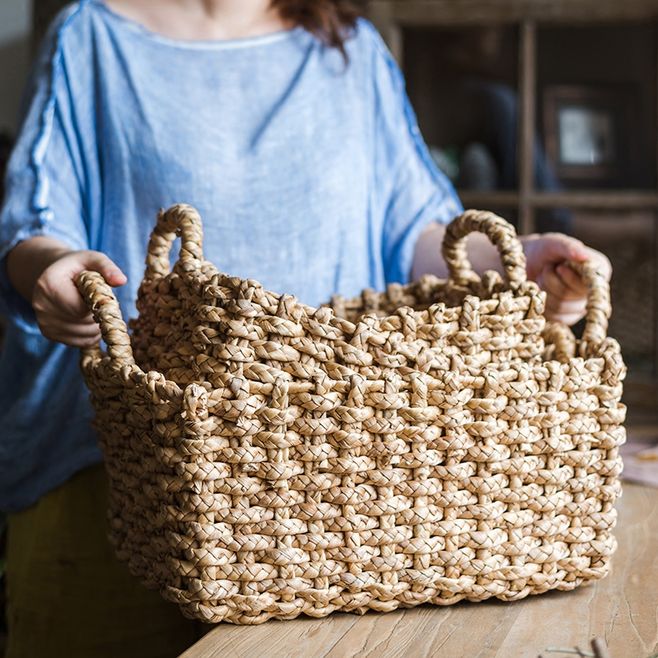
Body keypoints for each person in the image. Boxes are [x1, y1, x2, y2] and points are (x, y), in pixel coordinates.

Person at [0, 1, 610, 656]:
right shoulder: (93, 35)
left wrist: (524, 261)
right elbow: (33, 218)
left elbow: (416, 233)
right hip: (127, 478)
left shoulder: (349, 48)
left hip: (331, 496)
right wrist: (53, 268)